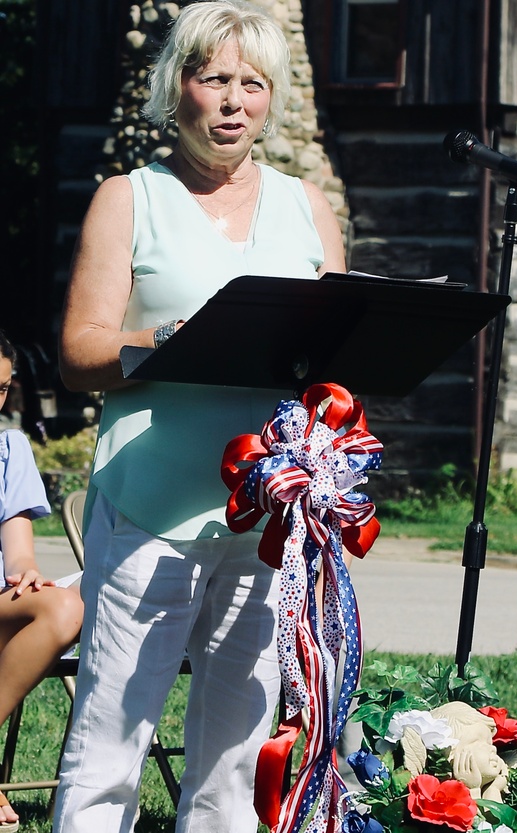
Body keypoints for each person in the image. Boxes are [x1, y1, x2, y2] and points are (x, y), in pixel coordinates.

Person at [52, 1, 346, 829]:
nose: (232, 100)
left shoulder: (307, 206)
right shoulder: (129, 198)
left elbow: (333, 361)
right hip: (152, 508)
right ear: (173, 85)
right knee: (112, 734)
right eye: (213, 77)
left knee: (237, 749)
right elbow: (79, 352)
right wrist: (161, 342)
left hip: (268, 519)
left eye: (251, 83)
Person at [0, 330, 84, 831]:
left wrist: (27, 571)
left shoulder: (9, 449)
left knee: (64, 605)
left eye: (3, 389)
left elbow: (19, 549)